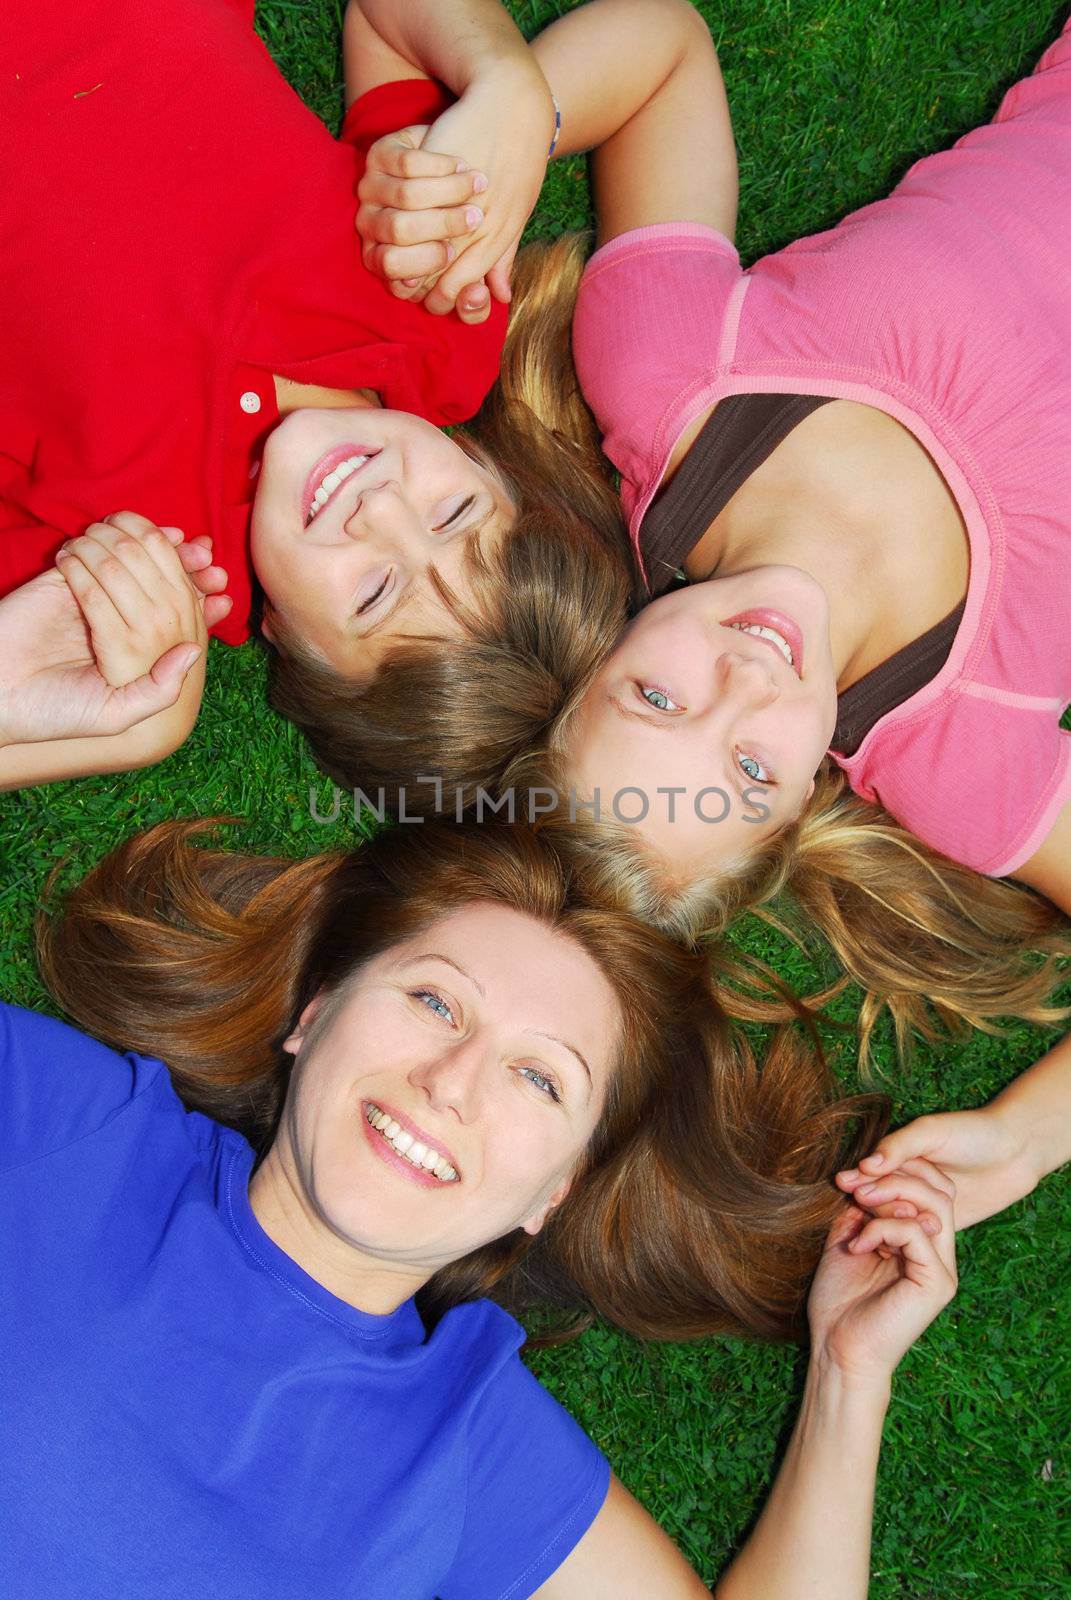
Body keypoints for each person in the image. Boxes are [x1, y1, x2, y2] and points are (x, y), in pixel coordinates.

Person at [362, 0, 1071, 1228]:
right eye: (747, 767)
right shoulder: (963, 754)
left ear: (607, 647)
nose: (745, 679)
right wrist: (1022, 1141)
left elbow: (665, 54)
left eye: (658, 697)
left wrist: (524, 114)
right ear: (801, 802)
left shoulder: (677, 384)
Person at [4, 816, 955, 1598]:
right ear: (314, 1013)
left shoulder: (465, 1439)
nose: (452, 1083)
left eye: (538, 1080)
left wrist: (846, 1373)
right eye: (434, 1001)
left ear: (554, 1193)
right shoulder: (79, 1125)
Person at [0, 0, 640, 794]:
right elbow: (383, 17)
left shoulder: (142, 562)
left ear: (289, 643)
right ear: (482, 461)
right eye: (453, 513)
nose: (379, 512)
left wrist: (131, 731)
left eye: (374, 593)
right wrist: (501, 81)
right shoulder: (438, 308)